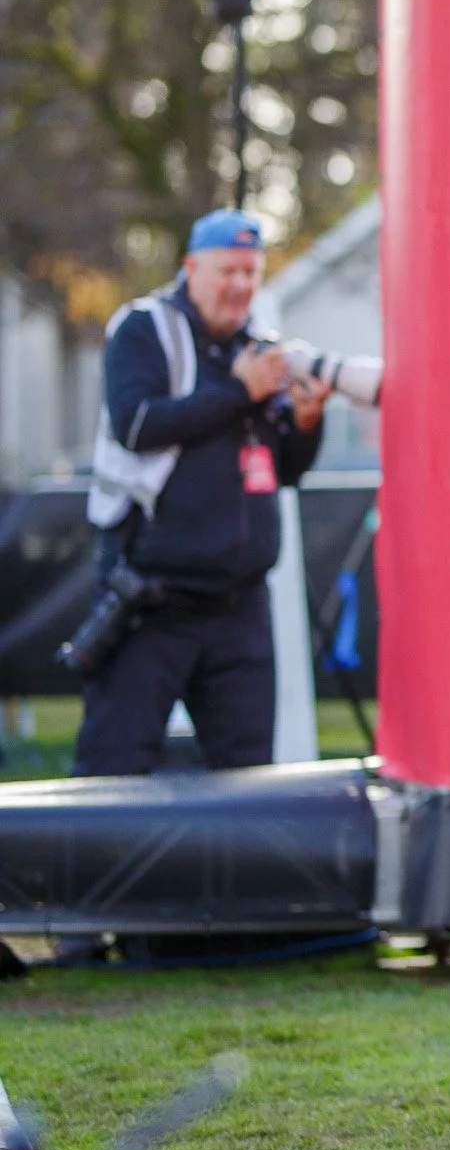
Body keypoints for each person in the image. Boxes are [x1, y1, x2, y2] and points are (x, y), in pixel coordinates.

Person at [71, 209, 332, 776]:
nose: (240, 286)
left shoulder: (260, 348)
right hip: (151, 601)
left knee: (247, 781)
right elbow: (136, 425)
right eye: (227, 271)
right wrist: (241, 391)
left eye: (250, 272)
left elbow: (284, 469)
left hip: (239, 610)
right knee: (113, 772)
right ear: (191, 268)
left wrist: (308, 422)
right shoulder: (144, 329)